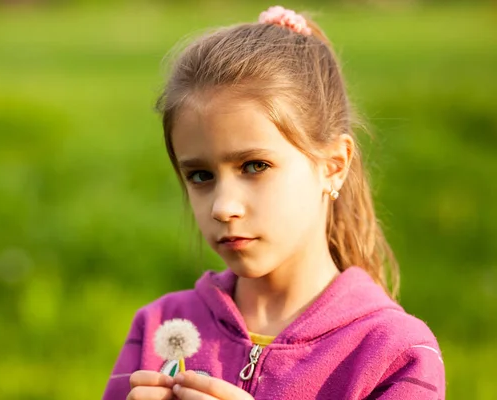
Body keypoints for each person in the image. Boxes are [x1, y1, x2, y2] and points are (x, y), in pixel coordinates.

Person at [103, 5, 445, 400]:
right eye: (200, 176)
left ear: (334, 166)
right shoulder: (159, 327)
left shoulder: (394, 353)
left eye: (254, 166)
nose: (222, 206)